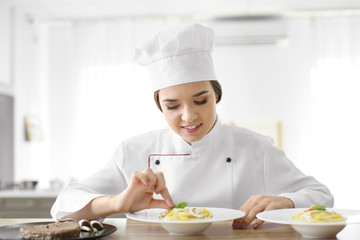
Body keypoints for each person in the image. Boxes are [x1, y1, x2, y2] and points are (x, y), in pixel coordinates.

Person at [51, 23, 333, 230]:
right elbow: (63, 204)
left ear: (217, 96)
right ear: (160, 106)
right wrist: (117, 203)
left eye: (200, 100)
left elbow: (322, 195)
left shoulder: (256, 148)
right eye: (173, 106)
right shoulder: (134, 150)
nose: (189, 116)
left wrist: (287, 201)